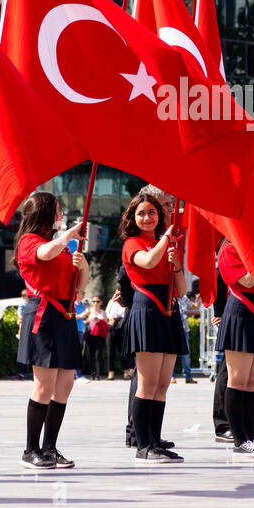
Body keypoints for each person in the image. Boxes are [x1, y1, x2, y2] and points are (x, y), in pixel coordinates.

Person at [16, 192, 87, 469]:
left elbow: (79, 284)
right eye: (57, 210)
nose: (60, 215)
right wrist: (69, 234)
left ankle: (50, 448)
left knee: (65, 386)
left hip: (64, 314)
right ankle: (31, 449)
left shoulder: (61, 246)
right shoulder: (30, 241)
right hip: (43, 314)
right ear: (45, 214)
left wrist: (84, 265)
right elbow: (44, 254)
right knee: (44, 386)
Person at [120, 190, 190, 463]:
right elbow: (146, 262)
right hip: (147, 310)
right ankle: (143, 445)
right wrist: (165, 240)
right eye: (141, 213)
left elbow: (181, 290)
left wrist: (176, 267)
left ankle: (155, 442)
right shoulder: (133, 243)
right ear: (133, 217)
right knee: (147, 384)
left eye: (152, 212)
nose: (147, 217)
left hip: (168, 311)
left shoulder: (165, 246)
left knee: (162, 385)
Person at [215, 237, 254, 458]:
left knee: (251, 383)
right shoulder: (229, 249)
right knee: (238, 380)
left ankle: (250, 435)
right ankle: (240, 440)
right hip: (240, 313)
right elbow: (248, 281)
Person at [83, 297, 109, 381]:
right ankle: (92, 373)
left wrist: (100, 321)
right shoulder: (89, 311)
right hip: (90, 334)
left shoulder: (103, 312)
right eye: (93, 301)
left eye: (97, 301)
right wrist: (91, 319)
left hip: (100, 335)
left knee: (98, 354)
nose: (95, 303)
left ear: (101, 302)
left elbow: (106, 324)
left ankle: (99, 374)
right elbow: (83, 321)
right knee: (90, 354)